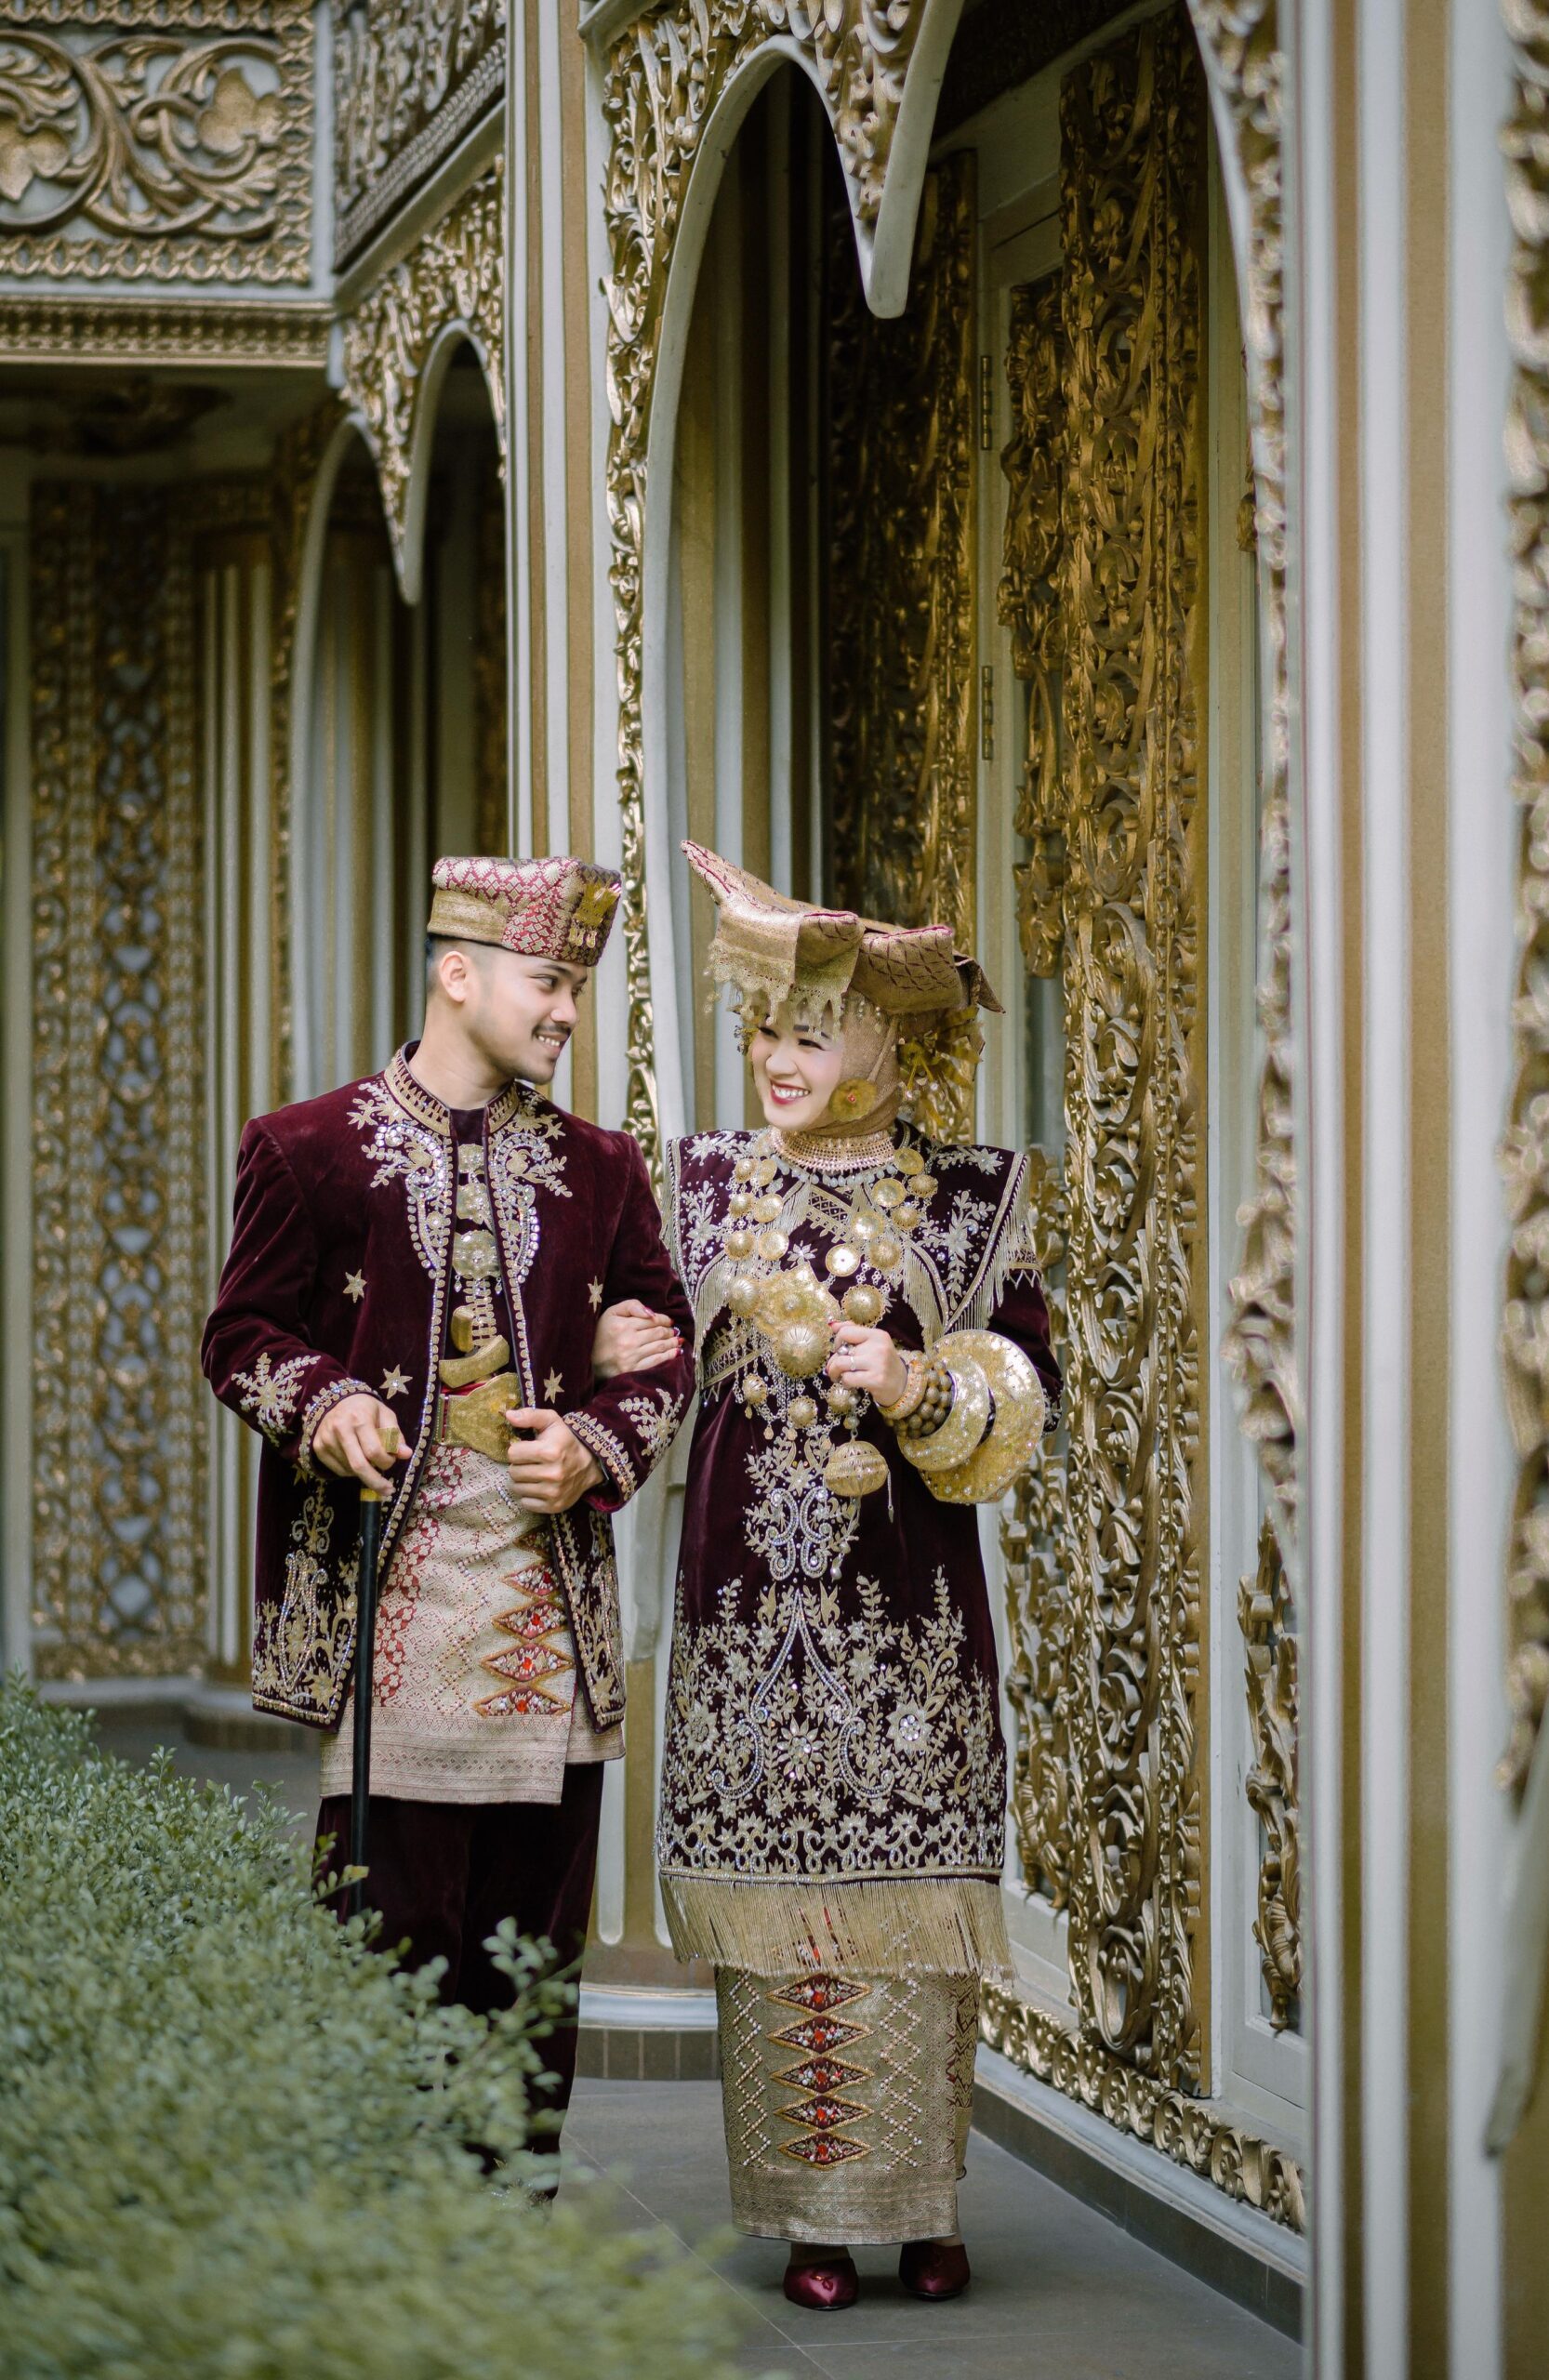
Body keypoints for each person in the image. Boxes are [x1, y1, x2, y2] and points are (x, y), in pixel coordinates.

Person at [203, 853, 694, 2158]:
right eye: (548, 981)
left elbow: (669, 1355)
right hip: (388, 1627)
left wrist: (594, 1444)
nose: (568, 1011)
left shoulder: (602, 1169)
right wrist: (324, 1402)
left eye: (578, 986)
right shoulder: (306, 1150)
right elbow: (237, 1335)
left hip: (549, 1631)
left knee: (528, 1967)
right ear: (459, 974)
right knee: (386, 1945)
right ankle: (383, 2226)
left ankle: (509, 2233)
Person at [656, 842, 1062, 2307]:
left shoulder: (972, 1199)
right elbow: (637, 1366)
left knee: (908, 1930)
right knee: (780, 1943)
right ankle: (811, 2223)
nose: (778, 1058)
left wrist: (920, 1382)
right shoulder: (699, 1186)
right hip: (746, 1630)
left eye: (814, 1035)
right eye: (767, 1028)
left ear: (886, 1047)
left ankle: (921, 2205)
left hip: (907, 1634)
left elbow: (1032, 1394)